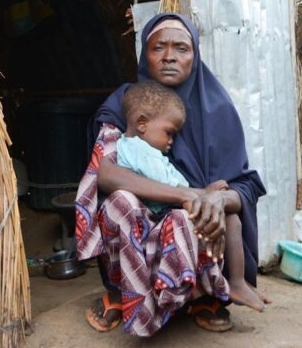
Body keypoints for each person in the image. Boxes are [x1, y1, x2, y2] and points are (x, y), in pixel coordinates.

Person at [75, 13, 267, 336]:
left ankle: (203, 292)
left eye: (181, 48)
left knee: (216, 211)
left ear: (195, 55)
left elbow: (244, 185)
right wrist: (184, 194)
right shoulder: (126, 103)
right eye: (158, 48)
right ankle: (126, 290)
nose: (169, 57)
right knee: (119, 201)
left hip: (193, 226)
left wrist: (218, 198)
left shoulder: (218, 109)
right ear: (144, 54)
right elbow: (104, 172)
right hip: (140, 224)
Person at [114, 80, 266, 312]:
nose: (172, 142)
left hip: (166, 212)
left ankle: (235, 282)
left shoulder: (142, 148)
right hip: (158, 220)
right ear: (142, 123)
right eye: (169, 133)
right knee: (224, 216)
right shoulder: (139, 150)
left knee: (228, 213)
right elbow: (168, 183)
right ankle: (220, 284)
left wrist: (208, 194)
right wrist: (204, 193)